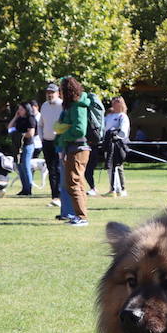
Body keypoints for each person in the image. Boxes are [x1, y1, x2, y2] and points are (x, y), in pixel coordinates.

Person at [56, 75, 94, 226]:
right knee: (77, 182)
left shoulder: (78, 106)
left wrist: (63, 134)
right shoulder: (73, 106)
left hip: (78, 148)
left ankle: (81, 216)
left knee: (73, 182)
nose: (59, 93)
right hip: (73, 148)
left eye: (61, 90)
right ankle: (80, 215)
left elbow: (79, 130)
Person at [38, 82, 73, 217]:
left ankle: (60, 196)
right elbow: (40, 124)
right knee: (51, 169)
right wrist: (42, 138)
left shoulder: (62, 105)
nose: (50, 95)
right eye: (48, 92)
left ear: (58, 93)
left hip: (59, 141)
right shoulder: (44, 106)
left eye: (52, 92)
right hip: (47, 142)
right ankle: (55, 197)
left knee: (59, 169)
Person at [103, 96, 131, 196]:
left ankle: (121, 189)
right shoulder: (109, 116)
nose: (115, 104)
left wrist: (117, 136)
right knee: (110, 166)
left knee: (118, 166)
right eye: (113, 102)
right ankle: (113, 188)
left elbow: (123, 131)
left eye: (117, 102)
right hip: (109, 143)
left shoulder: (122, 116)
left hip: (118, 144)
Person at [7, 100, 37, 196]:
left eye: (21, 109)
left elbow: (31, 133)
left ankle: (29, 189)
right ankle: (24, 188)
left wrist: (20, 135)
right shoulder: (19, 119)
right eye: (18, 109)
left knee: (25, 165)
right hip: (18, 146)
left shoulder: (30, 118)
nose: (19, 111)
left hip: (27, 145)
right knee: (19, 167)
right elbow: (9, 128)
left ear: (26, 109)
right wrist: (15, 117)